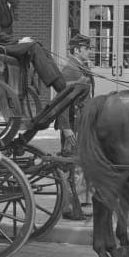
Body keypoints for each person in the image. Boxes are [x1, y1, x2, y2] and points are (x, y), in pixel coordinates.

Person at [56, 33, 95, 219]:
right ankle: (68, 208)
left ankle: (78, 204)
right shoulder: (70, 69)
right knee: (69, 165)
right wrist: (65, 127)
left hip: (81, 122)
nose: (89, 51)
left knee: (79, 164)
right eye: (86, 48)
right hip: (72, 124)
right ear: (77, 50)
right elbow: (62, 101)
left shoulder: (81, 66)